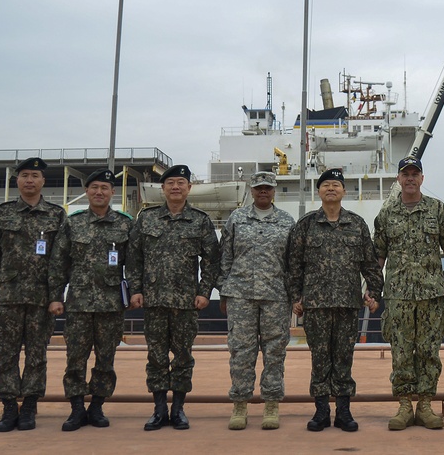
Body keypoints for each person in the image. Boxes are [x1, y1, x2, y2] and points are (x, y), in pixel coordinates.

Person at [286, 168, 384, 433]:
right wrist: (295, 297)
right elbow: (293, 265)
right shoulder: (306, 225)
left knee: (343, 358)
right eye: (326, 185)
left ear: (344, 192)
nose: (331, 189)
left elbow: (370, 263)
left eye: (336, 185)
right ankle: (320, 411)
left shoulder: (357, 224)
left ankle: (343, 411)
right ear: (318, 191)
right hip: (316, 306)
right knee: (319, 359)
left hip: (347, 304)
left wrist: (374, 292)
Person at [127, 164, 219, 432]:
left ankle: (178, 409)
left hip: (186, 303)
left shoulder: (200, 221)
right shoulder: (146, 219)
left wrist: (204, 292)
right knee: (156, 357)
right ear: (163, 188)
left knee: (182, 357)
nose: (176, 187)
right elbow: (134, 259)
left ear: (189, 188)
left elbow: (212, 260)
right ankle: (158, 410)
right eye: (171, 183)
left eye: (181, 182)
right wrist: (136, 290)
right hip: (154, 302)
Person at [374, 157, 444, 430]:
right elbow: (380, 255)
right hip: (398, 294)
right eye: (405, 174)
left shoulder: (437, 209)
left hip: (431, 294)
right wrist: (374, 289)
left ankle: (425, 405)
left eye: (415, 174)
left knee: (428, 351)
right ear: (399, 179)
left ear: (422, 178)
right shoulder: (386, 214)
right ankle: (403, 405)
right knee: (400, 351)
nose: (410, 178)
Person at [0, 157, 66, 432]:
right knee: (6, 353)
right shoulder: (3, 213)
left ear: (43, 182)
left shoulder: (56, 214)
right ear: (17, 180)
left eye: (35, 176)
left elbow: (59, 259)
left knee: (37, 354)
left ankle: (29, 406)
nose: (30, 180)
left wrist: (57, 295)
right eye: (25, 175)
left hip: (42, 298)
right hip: (9, 295)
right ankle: (8, 406)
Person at [48, 168, 132, 431]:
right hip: (78, 305)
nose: (99, 192)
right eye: (94, 187)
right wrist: (55, 297)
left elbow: (135, 264)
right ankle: (76, 409)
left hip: (111, 305)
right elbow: (58, 263)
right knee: (75, 358)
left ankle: (96, 407)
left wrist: (136, 291)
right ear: (86, 191)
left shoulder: (125, 224)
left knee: (106, 359)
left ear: (112, 193)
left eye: (104, 188)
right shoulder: (72, 224)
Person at [219, 171, 295, 431]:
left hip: (275, 296)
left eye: (268, 188)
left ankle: (271, 404)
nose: (263, 192)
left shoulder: (286, 221)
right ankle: (240, 403)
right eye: (259, 188)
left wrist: (294, 294)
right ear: (251, 191)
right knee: (241, 351)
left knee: (275, 353)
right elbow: (225, 257)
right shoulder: (236, 219)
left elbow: (292, 262)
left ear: (274, 191)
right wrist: (224, 290)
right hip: (240, 295)